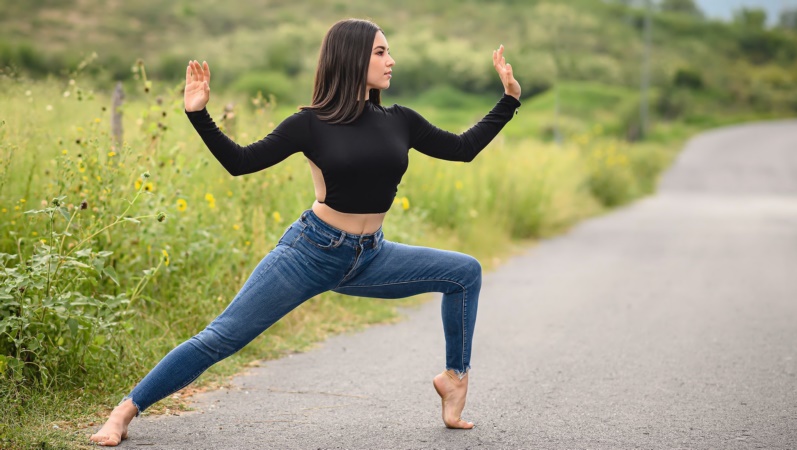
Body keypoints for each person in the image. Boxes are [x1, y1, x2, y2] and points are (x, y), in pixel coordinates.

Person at [90, 18, 521, 446]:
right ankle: (124, 411)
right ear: (352, 59)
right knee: (219, 339)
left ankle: (454, 379)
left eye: (389, 52)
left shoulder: (401, 121)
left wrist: (509, 100)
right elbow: (241, 162)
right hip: (310, 254)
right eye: (381, 52)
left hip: (372, 256)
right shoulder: (309, 123)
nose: (392, 61)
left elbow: (462, 150)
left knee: (464, 273)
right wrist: (198, 114)